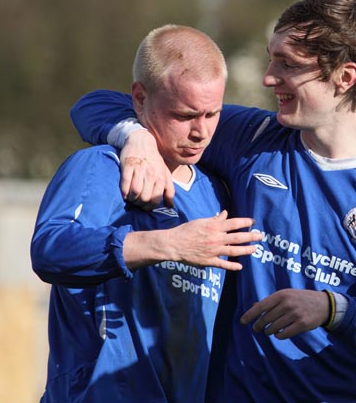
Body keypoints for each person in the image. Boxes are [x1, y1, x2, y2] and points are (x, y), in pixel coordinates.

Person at [71, 0, 356, 403]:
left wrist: (333, 310)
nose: (269, 78)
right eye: (271, 59)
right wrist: (136, 138)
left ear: (345, 77)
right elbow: (96, 104)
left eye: (288, 64)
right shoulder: (256, 139)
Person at [30, 24, 261, 402]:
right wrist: (167, 244)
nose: (201, 132)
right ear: (139, 98)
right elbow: (50, 250)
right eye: (185, 115)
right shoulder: (103, 167)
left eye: (212, 114)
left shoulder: (215, 192)